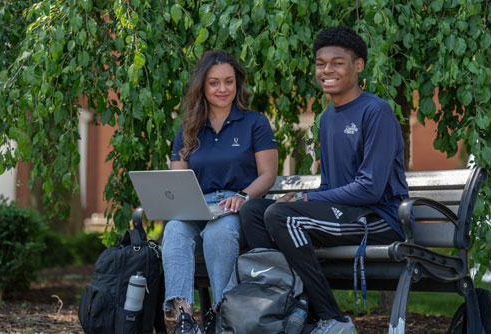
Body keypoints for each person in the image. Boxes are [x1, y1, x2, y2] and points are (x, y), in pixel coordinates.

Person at [239, 26, 410, 334]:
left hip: (381, 219)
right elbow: (332, 186)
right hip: (347, 214)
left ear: (358, 66)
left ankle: (332, 319)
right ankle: (287, 307)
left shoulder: (377, 112)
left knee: (281, 215)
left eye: (337, 62)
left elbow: (370, 187)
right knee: (252, 211)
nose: (327, 70)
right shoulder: (327, 119)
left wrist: (307, 200)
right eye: (320, 63)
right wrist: (305, 200)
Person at [162, 50, 278, 334]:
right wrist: (182, 203)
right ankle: (185, 318)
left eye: (229, 81)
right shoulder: (189, 128)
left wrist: (244, 196)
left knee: (219, 233)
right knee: (174, 230)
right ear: (202, 86)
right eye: (214, 83)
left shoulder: (255, 123)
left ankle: (221, 314)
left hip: (234, 205)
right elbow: (180, 180)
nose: (222, 89)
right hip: (198, 206)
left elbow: (268, 175)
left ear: (237, 83)